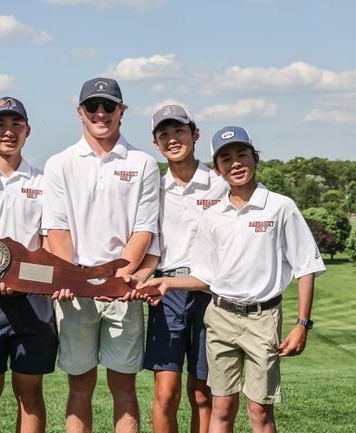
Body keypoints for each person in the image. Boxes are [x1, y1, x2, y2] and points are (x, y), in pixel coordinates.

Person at [139, 126, 326, 433]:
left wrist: (302, 323)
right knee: (221, 407)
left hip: (262, 318)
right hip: (220, 317)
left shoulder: (281, 206)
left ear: (256, 159)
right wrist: (167, 283)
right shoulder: (213, 215)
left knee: (259, 410)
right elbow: (205, 275)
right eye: (226, 159)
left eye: (242, 155)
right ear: (217, 169)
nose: (236, 163)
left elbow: (306, 266)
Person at [41, 77, 160, 433]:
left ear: (122, 112)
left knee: (123, 385)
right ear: (80, 112)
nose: (101, 113)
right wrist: (70, 277)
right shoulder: (59, 163)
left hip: (123, 288)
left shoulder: (143, 164)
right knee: (80, 385)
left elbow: (144, 230)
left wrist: (118, 278)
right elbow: (57, 230)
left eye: (109, 106)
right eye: (93, 106)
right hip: (75, 290)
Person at [0, 97, 58, 433]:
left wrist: (31, 277)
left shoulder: (43, 181)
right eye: (0, 126)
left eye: (16, 125)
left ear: (27, 130)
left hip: (33, 296)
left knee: (30, 391)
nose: (8, 132)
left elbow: (48, 241)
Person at [144, 105, 228, 433]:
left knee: (202, 392)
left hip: (210, 294)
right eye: (164, 134)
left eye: (179, 131)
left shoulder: (219, 184)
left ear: (194, 134)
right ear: (156, 144)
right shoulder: (153, 188)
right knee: (166, 393)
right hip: (167, 291)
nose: (172, 139)